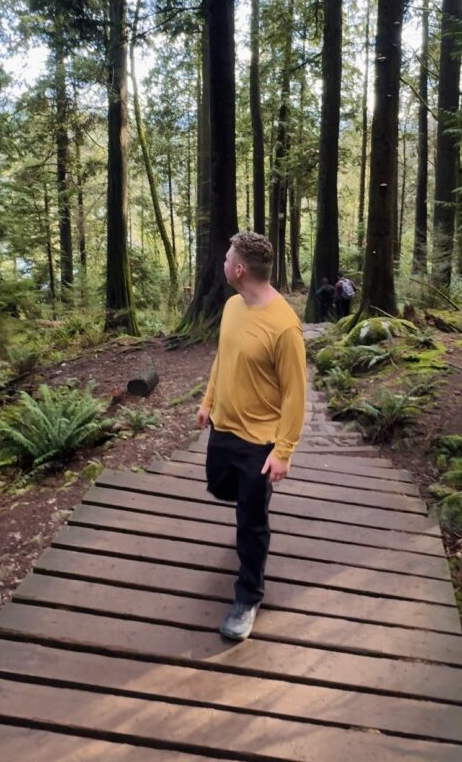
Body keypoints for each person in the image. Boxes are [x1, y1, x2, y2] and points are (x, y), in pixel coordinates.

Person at [197, 231, 307, 640]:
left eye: (227, 259)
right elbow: (222, 358)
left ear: (240, 270)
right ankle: (251, 501)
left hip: (260, 443)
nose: (223, 264)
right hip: (223, 427)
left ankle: (248, 597)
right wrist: (208, 401)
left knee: (251, 522)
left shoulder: (285, 328)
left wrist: (284, 451)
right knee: (218, 486)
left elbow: (296, 395)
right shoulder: (231, 306)